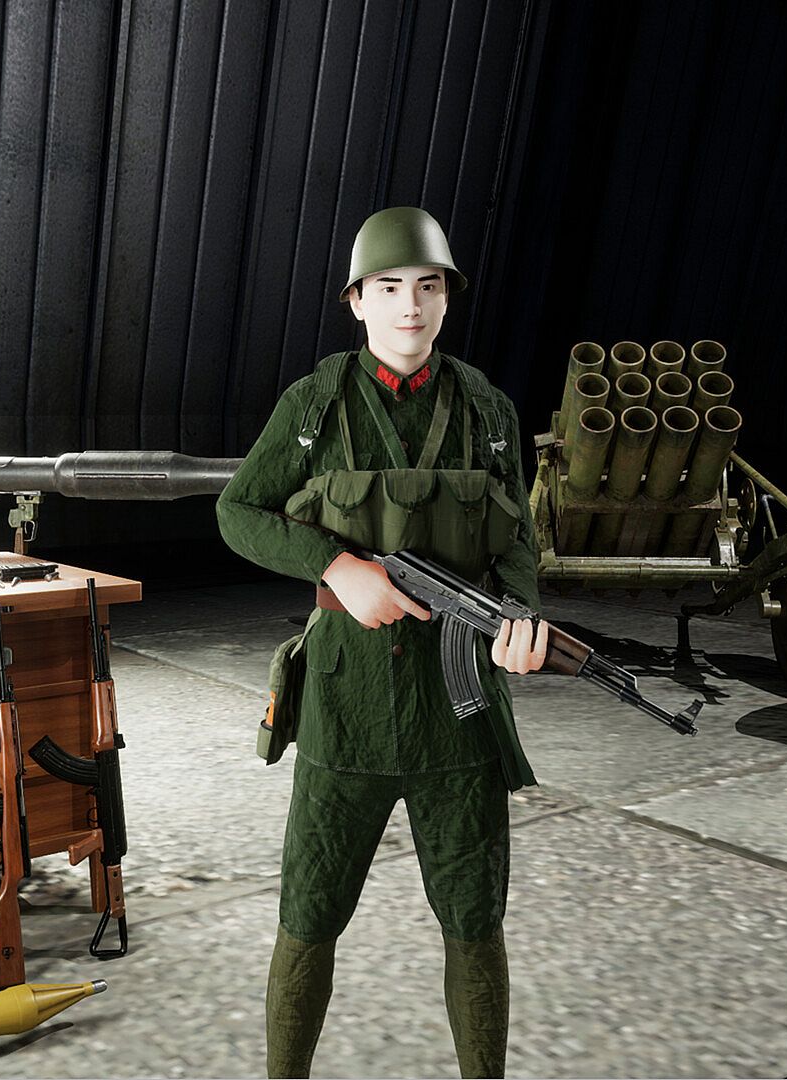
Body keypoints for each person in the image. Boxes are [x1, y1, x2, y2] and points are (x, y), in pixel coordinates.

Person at [215, 206, 555, 1078]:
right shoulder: (314, 405)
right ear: (357, 301)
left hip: (460, 717)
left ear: (447, 299)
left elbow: (517, 537)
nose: (411, 305)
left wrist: (521, 614)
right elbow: (239, 511)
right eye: (390, 287)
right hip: (345, 708)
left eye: (428, 287)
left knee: (474, 920)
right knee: (309, 914)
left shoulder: (488, 410)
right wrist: (336, 566)